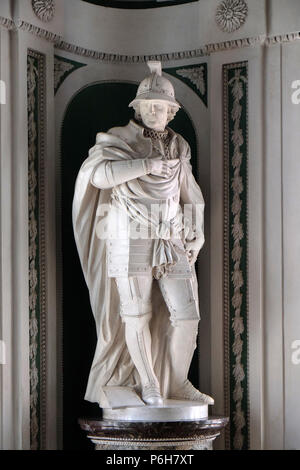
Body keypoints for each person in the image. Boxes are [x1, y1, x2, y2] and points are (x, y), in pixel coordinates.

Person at [73, 61, 214, 408]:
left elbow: (189, 192)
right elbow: (98, 176)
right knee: (137, 313)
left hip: (171, 236)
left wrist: (198, 233)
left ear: (171, 111)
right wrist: (146, 165)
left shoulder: (179, 146)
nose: (155, 111)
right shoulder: (119, 139)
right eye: (149, 105)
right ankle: (149, 383)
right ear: (137, 108)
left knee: (187, 314)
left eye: (162, 107)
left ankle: (177, 382)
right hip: (129, 234)